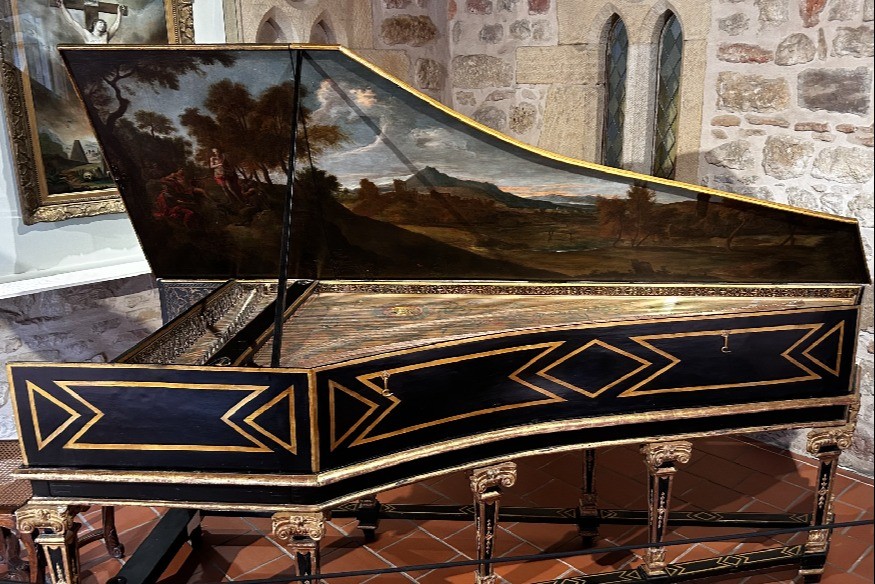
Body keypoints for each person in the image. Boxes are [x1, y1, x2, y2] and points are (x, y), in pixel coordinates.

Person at [56, 0, 124, 44]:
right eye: (100, 23)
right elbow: (71, 22)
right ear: (94, 24)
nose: (103, 25)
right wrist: (62, 7)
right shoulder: (87, 34)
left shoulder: (106, 35)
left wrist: (119, 13)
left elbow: (116, 26)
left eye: (104, 24)